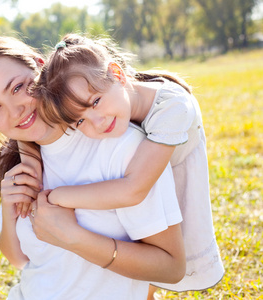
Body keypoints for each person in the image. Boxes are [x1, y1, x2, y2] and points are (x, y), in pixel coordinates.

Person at [0, 36, 185, 300]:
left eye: (18, 87)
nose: (14, 111)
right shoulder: (21, 163)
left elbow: (171, 268)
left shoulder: (121, 147)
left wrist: (74, 237)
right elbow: (20, 259)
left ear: (40, 67)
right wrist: (9, 208)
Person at [29, 33, 224, 294]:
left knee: (153, 273)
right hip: (149, 188)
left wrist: (58, 197)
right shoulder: (117, 100)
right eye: (79, 122)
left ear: (118, 75)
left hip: (170, 186)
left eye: (95, 102)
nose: (97, 122)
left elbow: (133, 189)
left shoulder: (173, 107)